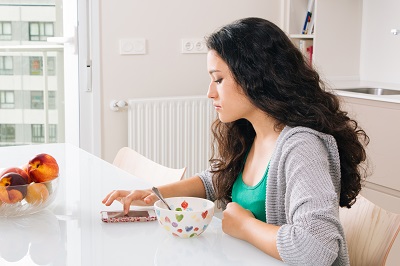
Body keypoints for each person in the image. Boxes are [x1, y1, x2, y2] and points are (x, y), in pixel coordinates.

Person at [102, 17, 369, 265]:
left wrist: (244, 227)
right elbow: (214, 180)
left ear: (255, 77)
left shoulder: (302, 147)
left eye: (218, 79)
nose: (209, 93)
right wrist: (154, 194)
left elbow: (316, 248)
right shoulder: (252, 133)